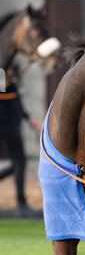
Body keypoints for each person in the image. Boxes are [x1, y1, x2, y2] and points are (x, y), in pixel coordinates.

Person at [0, 67, 40, 216]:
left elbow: (19, 105)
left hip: (14, 126)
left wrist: (28, 117)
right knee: (19, 162)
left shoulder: (14, 86)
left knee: (19, 163)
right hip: (6, 126)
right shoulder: (2, 85)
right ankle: (22, 204)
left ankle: (22, 203)